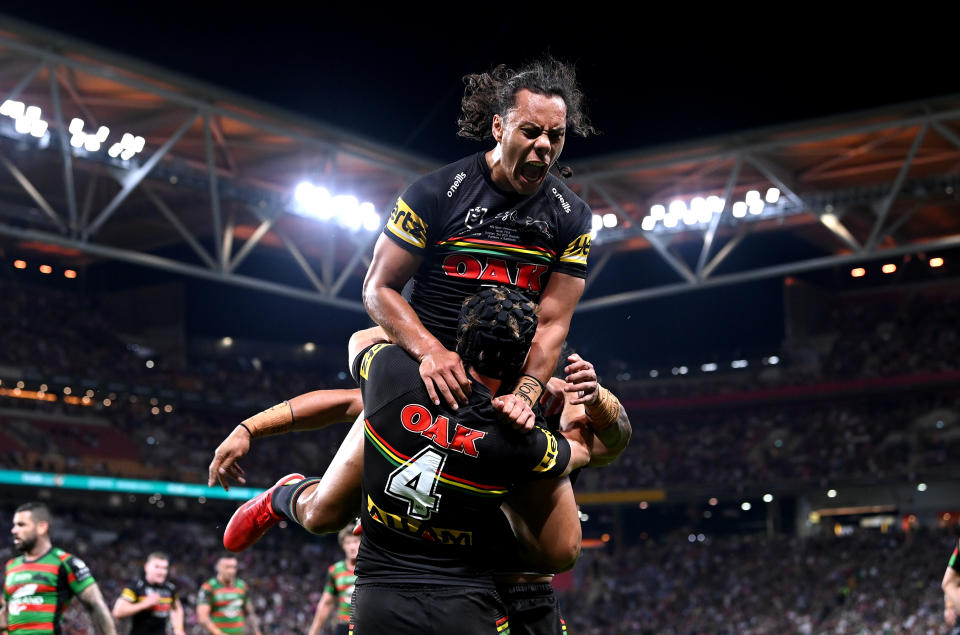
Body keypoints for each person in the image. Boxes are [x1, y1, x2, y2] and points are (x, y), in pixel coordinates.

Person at [210, 57, 600, 535]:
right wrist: (430, 352)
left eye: (555, 137)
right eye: (530, 131)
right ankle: (286, 493)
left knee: (555, 550)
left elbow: (554, 321)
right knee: (321, 517)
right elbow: (377, 288)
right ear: (498, 127)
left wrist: (528, 389)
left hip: (504, 382)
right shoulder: (436, 193)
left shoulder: (571, 216)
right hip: (428, 369)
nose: (543, 147)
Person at [228, 287, 595, 633]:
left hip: (405, 579)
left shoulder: (395, 373)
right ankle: (287, 496)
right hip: (450, 585)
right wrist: (580, 399)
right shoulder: (520, 436)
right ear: (526, 359)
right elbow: (581, 450)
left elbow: (360, 341)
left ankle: (340, 504)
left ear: (461, 338)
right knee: (322, 513)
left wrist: (426, 345)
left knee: (322, 515)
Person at [0, 502, 117, 635]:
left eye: (21, 525)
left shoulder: (66, 563)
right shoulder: (12, 566)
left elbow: (95, 605)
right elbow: (7, 611)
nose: (13, 530)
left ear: (42, 528)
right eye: (14, 525)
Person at [112, 552, 185, 635]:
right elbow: (118, 612)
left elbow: (177, 608)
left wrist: (178, 629)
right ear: (146, 567)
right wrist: (144, 604)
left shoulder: (170, 589)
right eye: (157, 567)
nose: (161, 572)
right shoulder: (136, 587)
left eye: (164, 568)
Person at [307, 524, 359, 635]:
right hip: (344, 626)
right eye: (348, 543)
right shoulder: (335, 570)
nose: (352, 547)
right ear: (343, 545)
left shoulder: (371, 568)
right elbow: (326, 603)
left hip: (366, 625)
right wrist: (313, 632)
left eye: (355, 541)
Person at [196, 556, 262, 635]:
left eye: (234, 567)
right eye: (227, 567)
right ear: (218, 567)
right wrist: (218, 633)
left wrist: (257, 631)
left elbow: (249, 613)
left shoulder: (242, 586)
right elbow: (203, 617)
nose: (231, 571)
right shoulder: (209, 587)